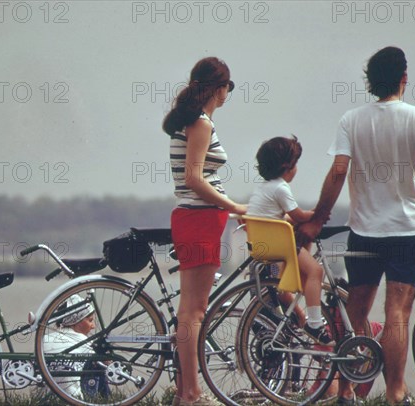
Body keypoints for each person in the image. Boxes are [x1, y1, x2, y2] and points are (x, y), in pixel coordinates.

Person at [298, 46, 415, 405]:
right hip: (407, 230)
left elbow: (338, 171)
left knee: (355, 310)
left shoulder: (351, 119)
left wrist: (318, 219)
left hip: (365, 230)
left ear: (371, 81)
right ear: (404, 77)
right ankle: (395, 392)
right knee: (397, 312)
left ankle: (346, 388)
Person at [163, 56, 247, 406]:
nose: (229, 92)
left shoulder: (192, 121)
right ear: (219, 87)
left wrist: (230, 206)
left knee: (191, 310)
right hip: (199, 219)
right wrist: (235, 206)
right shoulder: (200, 124)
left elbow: (201, 179)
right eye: (229, 85)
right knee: (194, 311)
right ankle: (192, 396)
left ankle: (186, 392)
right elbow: (194, 179)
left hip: (198, 218)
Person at [246, 135, 332, 344]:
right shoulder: (281, 188)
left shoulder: (264, 187)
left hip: (264, 248)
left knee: (282, 287)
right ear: (288, 167)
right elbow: (298, 217)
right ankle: (315, 324)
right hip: (279, 247)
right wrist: (318, 213)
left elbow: (279, 216)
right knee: (316, 271)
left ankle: (299, 317)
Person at [42, 294, 109, 400]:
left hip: (46, 398)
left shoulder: (43, 339)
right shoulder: (86, 343)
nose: (93, 326)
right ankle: (106, 400)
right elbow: (108, 366)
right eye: (90, 320)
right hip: (75, 399)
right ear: (76, 321)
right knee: (99, 364)